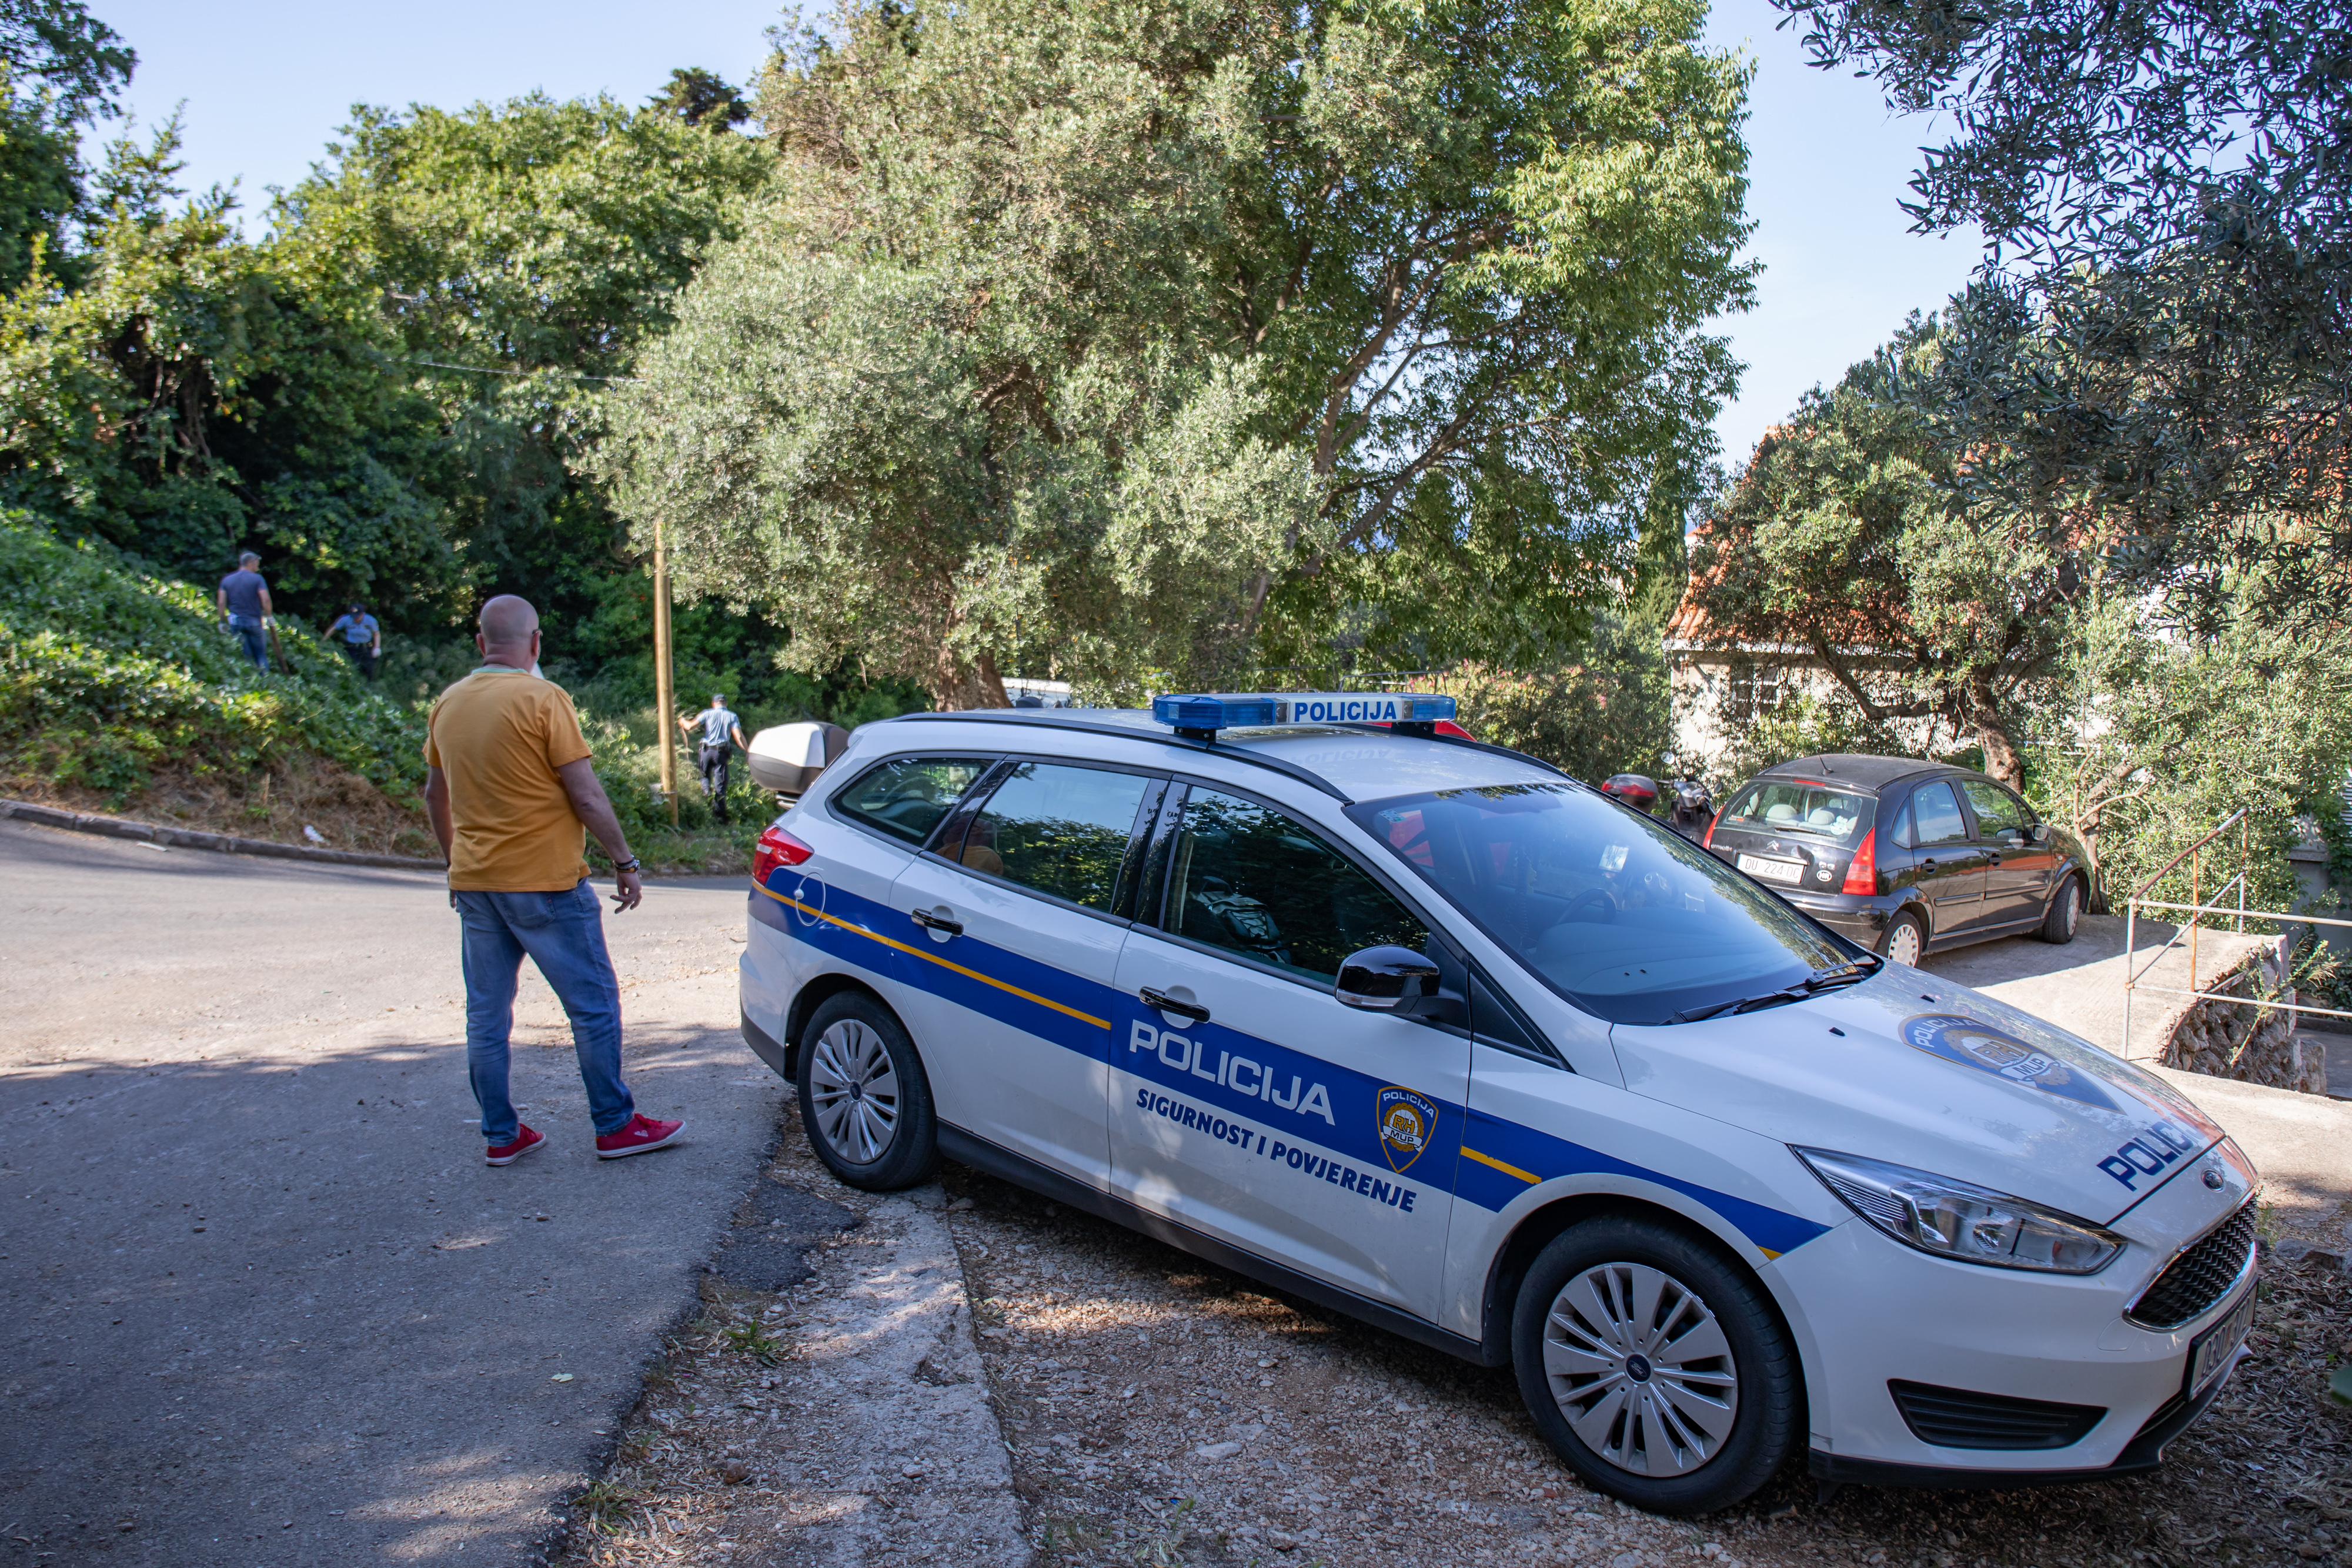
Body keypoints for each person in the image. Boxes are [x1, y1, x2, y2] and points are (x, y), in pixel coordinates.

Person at [423, 595, 684, 1166]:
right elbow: (586, 794)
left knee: (487, 1014)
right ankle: (615, 1125)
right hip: (545, 884)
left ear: (479, 644)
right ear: (536, 643)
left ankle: (500, 1134)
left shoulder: (447, 704)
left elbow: (434, 796)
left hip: (475, 885)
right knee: (592, 1006)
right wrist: (624, 861)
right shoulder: (543, 699)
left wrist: (455, 866)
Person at [676, 694, 748, 824]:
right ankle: (719, 817)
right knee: (720, 783)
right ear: (726, 704)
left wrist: (682, 721)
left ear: (713, 704)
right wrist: (748, 751)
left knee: (703, 775)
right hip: (721, 752)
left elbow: (690, 727)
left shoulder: (707, 713)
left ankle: (706, 796)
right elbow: (738, 737)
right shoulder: (732, 716)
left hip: (706, 750)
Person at [216, 551, 273, 673]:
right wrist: (269, 616)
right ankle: (267, 683)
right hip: (254, 622)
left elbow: (221, 603)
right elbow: (266, 599)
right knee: (260, 656)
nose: (258, 567)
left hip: (235, 622)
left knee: (243, 656)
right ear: (250, 563)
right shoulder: (257, 579)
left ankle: (247, 681)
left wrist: (221, 621)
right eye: (257, 563)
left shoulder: (227, 580)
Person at [325, 603, 382, 678]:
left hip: (366, 647)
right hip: (352, 648)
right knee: (352, 667)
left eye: (358, 616)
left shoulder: (370, 620)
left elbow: (376, 633)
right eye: (354, 616)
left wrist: (377, 647)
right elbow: (333, 628)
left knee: (369, 669)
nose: (356, 618)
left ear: (363, 614)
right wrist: (324, 640)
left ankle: (369, 686)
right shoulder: (346, 619)